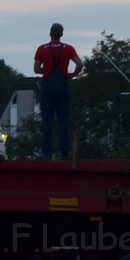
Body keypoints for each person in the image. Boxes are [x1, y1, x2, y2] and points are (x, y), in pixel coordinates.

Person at [34, 22, 83, 159]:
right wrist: (71, 75)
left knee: (47, 121)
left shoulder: (42, 49)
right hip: (62, 87)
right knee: (63, 121)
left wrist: (47, 70)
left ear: (50, 33)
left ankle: (46, 153)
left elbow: (36, 69)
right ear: (61, 34)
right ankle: (65, 153)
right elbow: (80, 64)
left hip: (48, 87)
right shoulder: (68, 48)